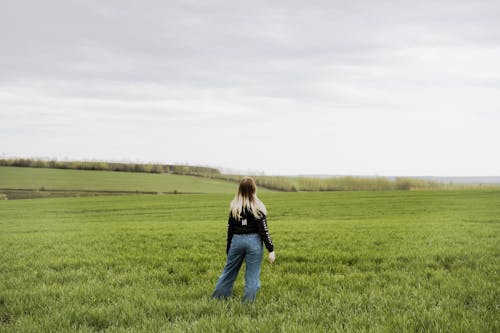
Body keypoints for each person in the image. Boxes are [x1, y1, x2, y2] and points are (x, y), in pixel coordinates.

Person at [212, 177, 276, 303]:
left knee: (228, 272)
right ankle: (247, 305)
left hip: (236, 241)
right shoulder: (258, 207)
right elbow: (264, 231)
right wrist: (271, 250)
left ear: (239, 189)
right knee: (252, 276)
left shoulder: (234, 207)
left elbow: (229, 230)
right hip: (254, 243)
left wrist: (229, 248)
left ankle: (217, 300)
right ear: (254, 189)